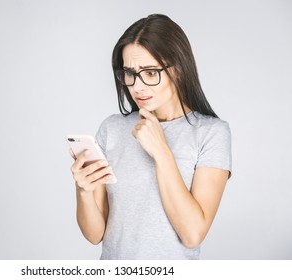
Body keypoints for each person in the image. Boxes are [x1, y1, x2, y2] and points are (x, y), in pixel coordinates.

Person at [69, 14, 232, 260]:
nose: (137, 87)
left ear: (177, 69)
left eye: (150, 72)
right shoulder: (112, 129)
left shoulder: (211, 133)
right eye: (130, 73)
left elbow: (192, 234)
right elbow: (95, 234)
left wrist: (161, 151)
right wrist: (82, 191)